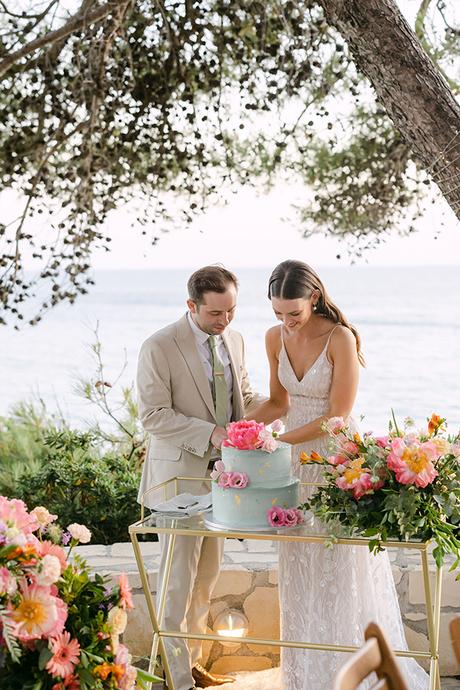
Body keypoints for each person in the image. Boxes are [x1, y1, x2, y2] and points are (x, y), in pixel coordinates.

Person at [251, 260, 428, 690]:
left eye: (293, 313)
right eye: (278, 314)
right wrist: (244, 431)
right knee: (298, 566)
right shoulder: (274, 337)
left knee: (339, 565)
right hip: (290, 464)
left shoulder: (340, 338)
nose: (286, 322)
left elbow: (337, 416)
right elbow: (277, 403)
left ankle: (351, 670)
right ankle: (303, 675)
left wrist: (279, 441)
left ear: (313, 297)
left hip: (333, 464)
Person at [137, 265, 261, 690]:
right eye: (215, 314)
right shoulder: (158, 346)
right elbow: (153, 415)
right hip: (177, 486)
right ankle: (172, 680)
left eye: (231, 311)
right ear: (191, 305)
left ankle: (191, 666)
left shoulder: (236, 340)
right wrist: (210, 432)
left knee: (206, 580)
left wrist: (290, 405)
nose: (224, 321)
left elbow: (242, 399)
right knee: (176, 585)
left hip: (224, 482)